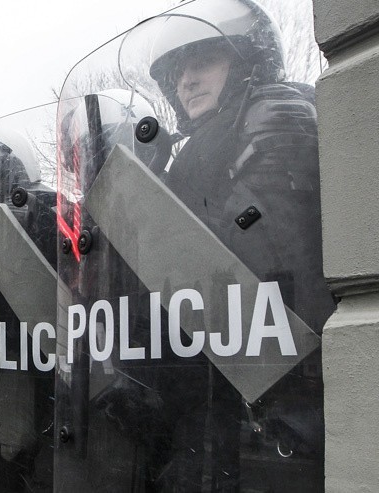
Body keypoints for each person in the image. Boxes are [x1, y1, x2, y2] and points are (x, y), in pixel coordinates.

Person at [142, 0, 334, 490]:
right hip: (231, 385)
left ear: (248, 60)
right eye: (179, 70)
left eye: (202, 61)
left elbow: (246, 255)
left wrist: (156, 196)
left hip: (282, 396)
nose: (186, 81)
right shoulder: (216, 140)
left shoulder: (277, 114)